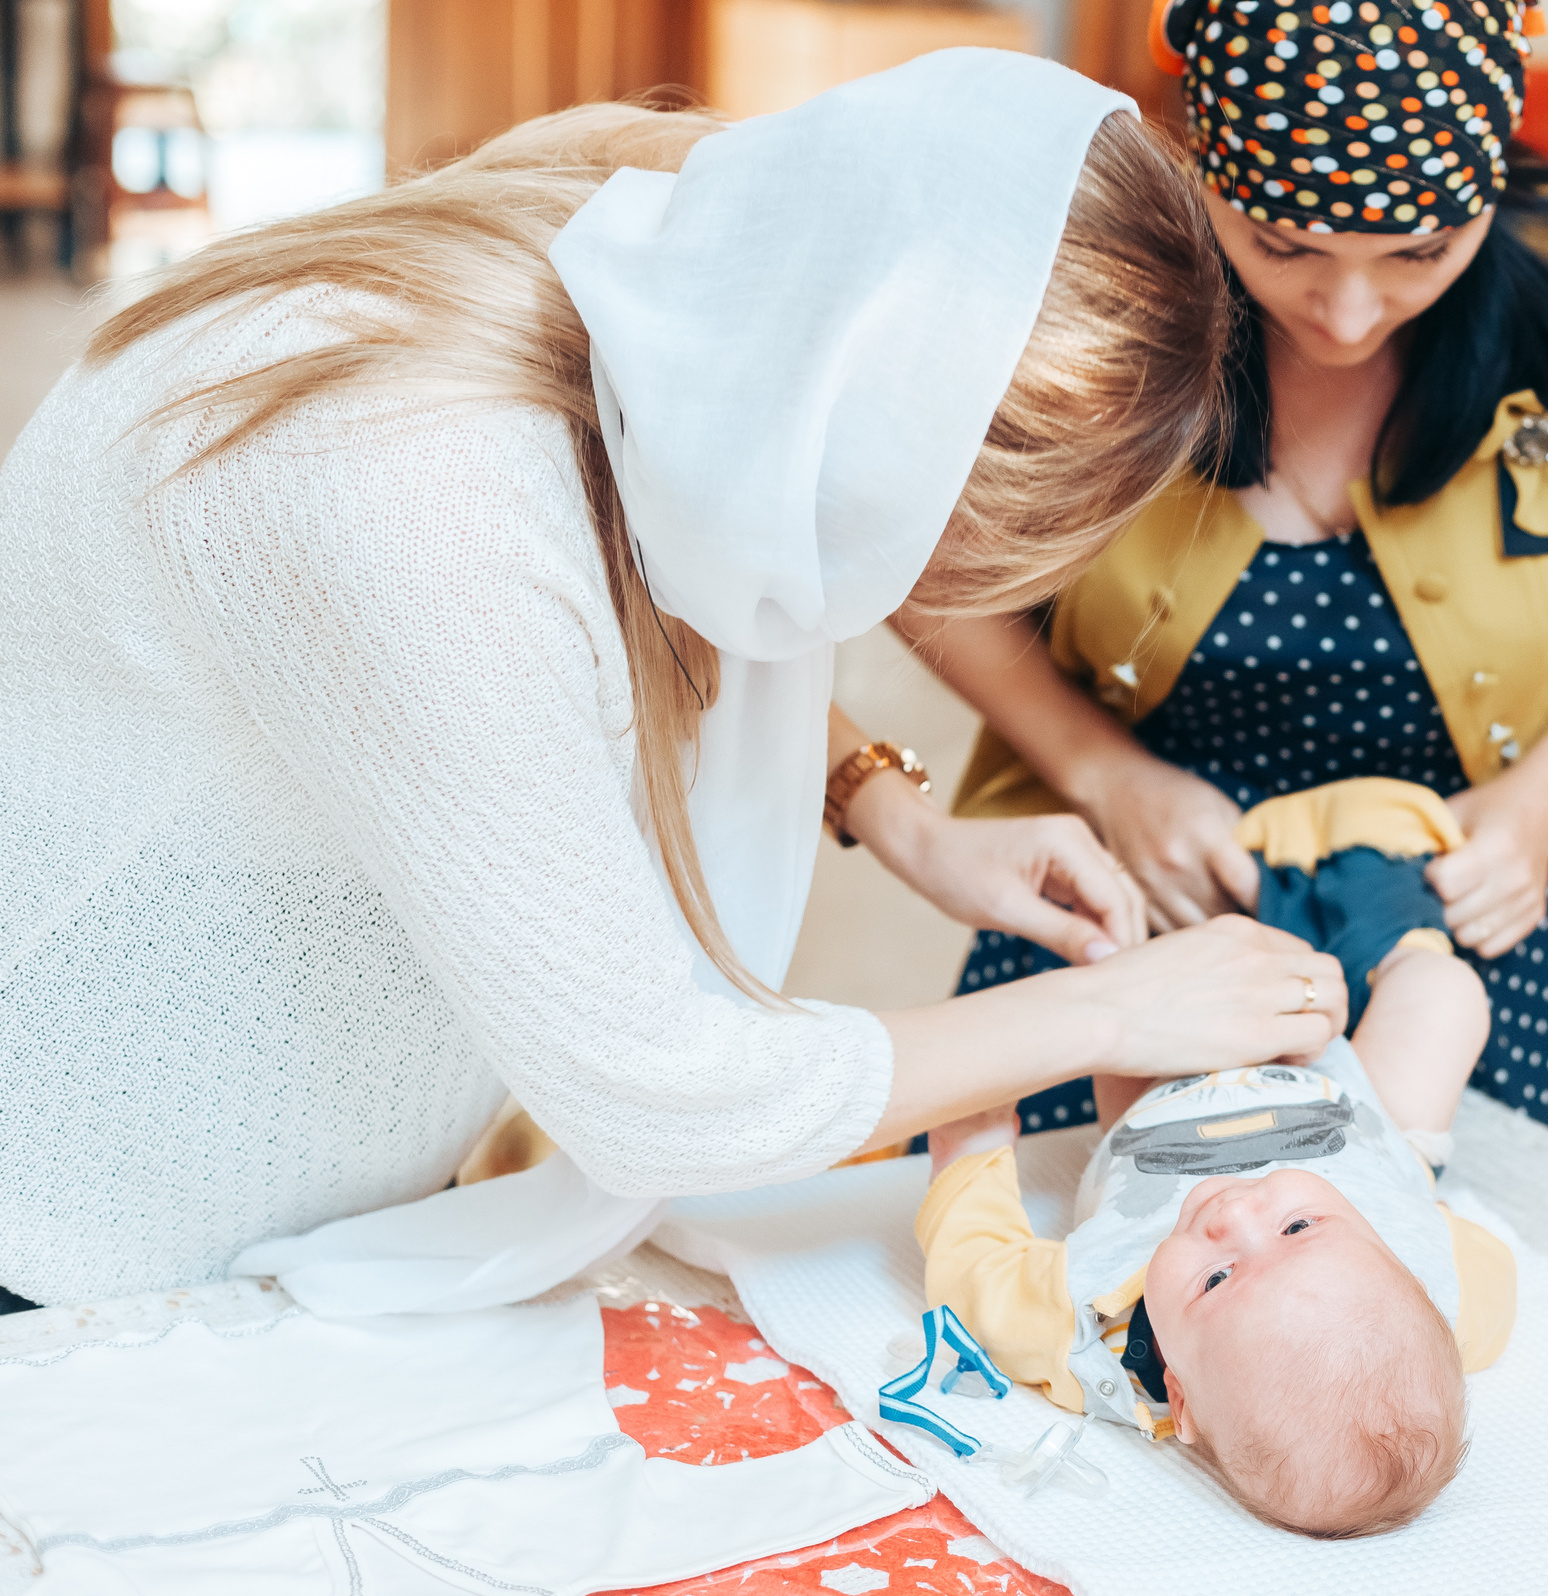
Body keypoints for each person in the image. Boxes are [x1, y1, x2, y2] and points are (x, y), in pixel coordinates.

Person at [0, 52, 1353, 1314]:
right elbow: (656, 1089)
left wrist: (895, 810)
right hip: (88, 1200)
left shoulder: (690, 243)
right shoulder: (413, 494)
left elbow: (612, 619)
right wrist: (1110, 1009)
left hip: (309, 1101)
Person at [902, 0, 1548, 1196]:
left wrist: (1543, 804)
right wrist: (1103, 774)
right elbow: (913, 563)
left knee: (1518, 1298)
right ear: (1200, 164)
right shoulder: (1090, 295)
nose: (1346, 314)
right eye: (1284, 250)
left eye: (1420, 254)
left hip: (1493, 886)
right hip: (1157, 862)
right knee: (1075, 1260)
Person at [918, 1024, 1516, 1538]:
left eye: (1216, 1280)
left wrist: (972, 1149)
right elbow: (1491, 1265)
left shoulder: (1090, 1333)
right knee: (1444, 1000)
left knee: (1135, 983)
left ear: (1180, 1398)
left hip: (1160, 1091)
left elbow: (977, 1277)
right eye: (1299, 1226)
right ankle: (1410, 937)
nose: (1232, 1215)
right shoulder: (1443, 1290)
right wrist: (1403, 1192)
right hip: (1339, 1097)